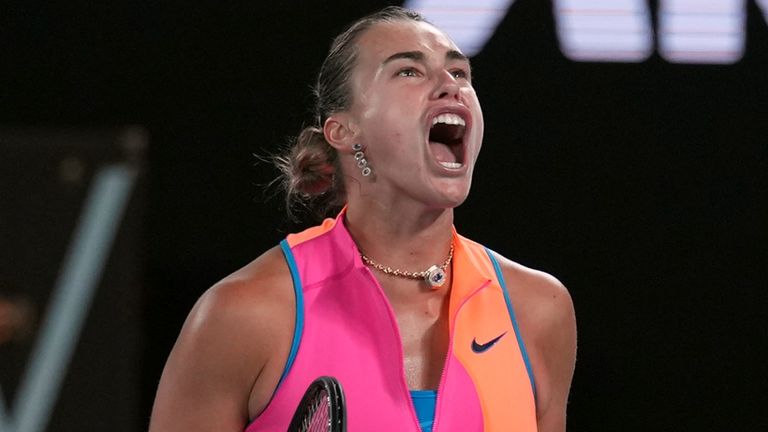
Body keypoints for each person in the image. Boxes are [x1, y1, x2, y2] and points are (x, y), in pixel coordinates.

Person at [149, 6, 576, 432]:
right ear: (343, 131)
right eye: (408, 71)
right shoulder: (246, 313)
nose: (451, 85)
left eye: (460, 73)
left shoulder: (537, 309)